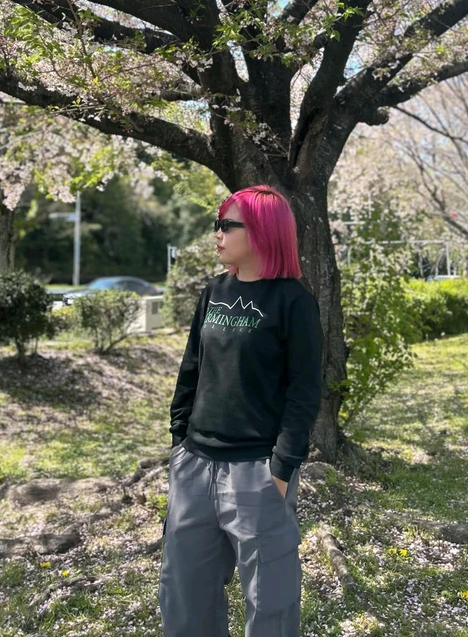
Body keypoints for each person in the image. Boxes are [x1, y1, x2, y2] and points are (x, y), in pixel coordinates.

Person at [159, 184, 324, 637]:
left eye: (226, 225)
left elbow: (304, 391)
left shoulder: (294, 301)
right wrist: (179, 441)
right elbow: (192, 368)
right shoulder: (214, 291)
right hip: (194, 467)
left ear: (262, 231)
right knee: (183, 598)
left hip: (257, 473)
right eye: (218, 224)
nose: (217, 233)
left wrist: (282, 468)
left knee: (271, 605)